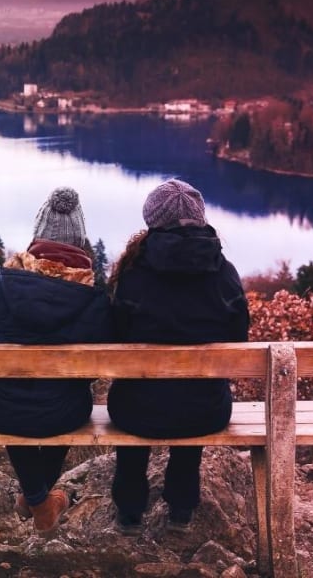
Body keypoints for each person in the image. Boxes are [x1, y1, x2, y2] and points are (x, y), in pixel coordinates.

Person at [106, 179, 250, 534]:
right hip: (205, 412)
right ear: (200, 219)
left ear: (152, 221)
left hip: (135, 412)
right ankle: (181, 510)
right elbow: (238, 340)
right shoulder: (224, 275)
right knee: (194, 398)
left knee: (139, 399)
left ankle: (129, 512)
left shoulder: (132, 274)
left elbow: (113, 338)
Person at [0, 186, 114, 536]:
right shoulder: (93, 296)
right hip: (63, 411)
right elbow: (95, 368)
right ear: (79, 240)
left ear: (38, 234)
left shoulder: (4, 281)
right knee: (66, 403)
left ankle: (37, 501)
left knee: (9, 400)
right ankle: (40, 502)